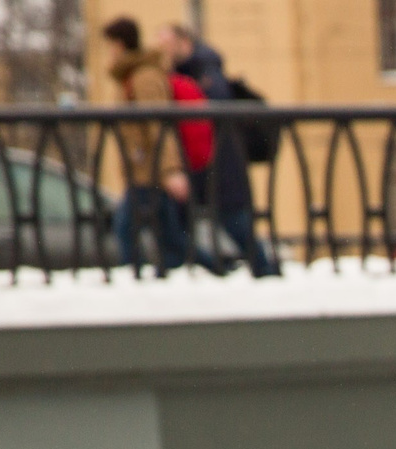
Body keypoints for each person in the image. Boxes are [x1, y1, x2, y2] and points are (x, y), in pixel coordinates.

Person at [160, 21, 279, 278]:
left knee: (234, 222)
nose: (163, 49)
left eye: (167, 43)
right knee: (179, 224)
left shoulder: (204, 70)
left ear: (184, 42)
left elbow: (216, 108)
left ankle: (261, 272)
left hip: (219, 164)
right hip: (202, 163)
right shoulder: (186, 73)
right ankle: (221, 270)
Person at [100, 16, 191, 276]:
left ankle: (136, 280)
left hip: (148, 170)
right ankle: (217, 271)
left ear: (119, 44)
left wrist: (171, 170)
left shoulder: (143, 76)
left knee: (125, 228)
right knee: (172, 238)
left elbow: (159, 126)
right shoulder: (132, 74)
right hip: (142, 168)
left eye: (111, 45)